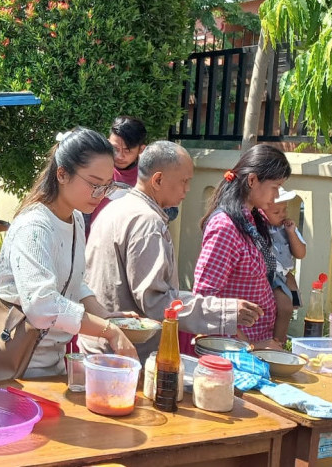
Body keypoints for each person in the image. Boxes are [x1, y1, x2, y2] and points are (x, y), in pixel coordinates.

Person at [80, 141, 264, 362]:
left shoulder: (115, 207)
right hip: (124, 355)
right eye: (184, 182)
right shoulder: (147, 222)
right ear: (158, 180)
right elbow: (157, 303)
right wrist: (224, 311)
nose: (187, 189)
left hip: (100, 346)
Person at [0, 127, 138, 378]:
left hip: (51, 364)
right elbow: (42, 305)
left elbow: (74, 282)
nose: (100, 195)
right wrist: (107, 330)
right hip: (11, 367)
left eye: (106, 186)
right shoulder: (35, 226)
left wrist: (104, 316)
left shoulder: (76, 219)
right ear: (62, 174)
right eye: (94, 184)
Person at [194, 144, 292, 350]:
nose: (276, 197)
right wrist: (251, 346)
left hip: (257, 344)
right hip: (233, 353)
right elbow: (205, 300)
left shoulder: (253, 220)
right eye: (275, 187)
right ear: (252, 180)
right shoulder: (225, 226)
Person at [87, 116, 147, 234]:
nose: (120, 156)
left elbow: (169, 212)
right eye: (115, 149)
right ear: (108, 142)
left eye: (127, 150)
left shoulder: (149, 177)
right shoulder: (93, 168)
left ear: (141, 149)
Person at [263, 187, 306, 343]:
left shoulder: (287, 228)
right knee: (285, 307)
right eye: (276, 212)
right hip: (271, 275)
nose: (282, 214)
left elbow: (300, 253)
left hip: (286, 275)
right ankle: (278, 341)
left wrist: (291, 233)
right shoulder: (260, 229)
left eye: (285, 210)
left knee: (293, 303)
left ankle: (282, 336)